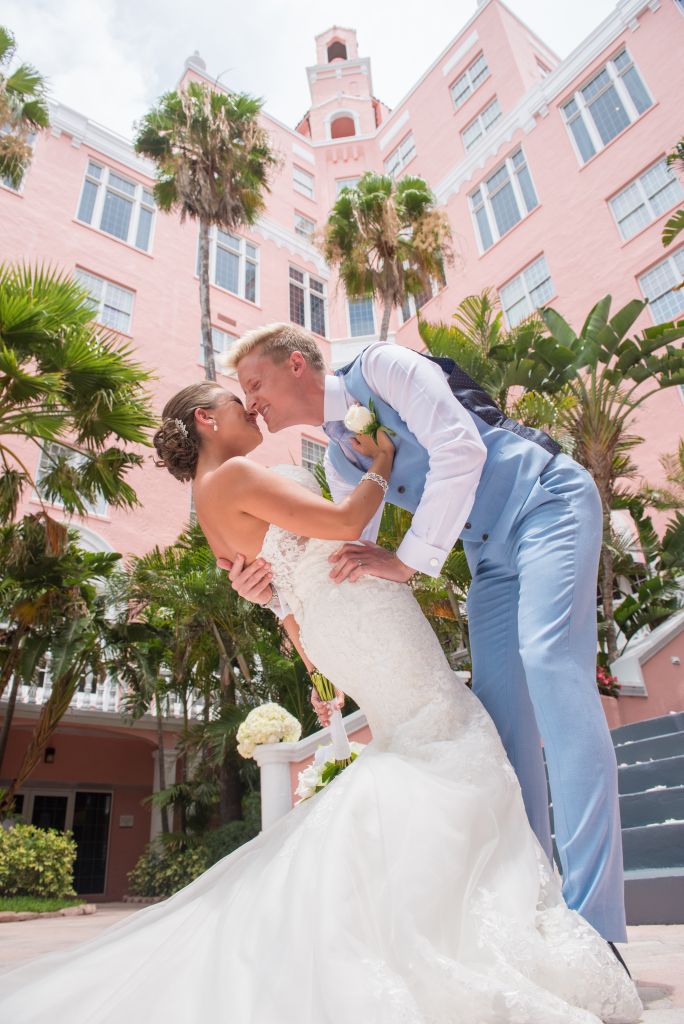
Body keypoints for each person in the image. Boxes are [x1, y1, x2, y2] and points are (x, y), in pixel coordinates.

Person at [0, 380, 641, 1024]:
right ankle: (450, 921)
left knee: (424, 745)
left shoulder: (208, 505)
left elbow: (279, 601)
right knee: (449, 734)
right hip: (358, 600)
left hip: (334, 623)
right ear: (205, 420)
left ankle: (424, 915)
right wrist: (382, 464)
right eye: (234, 400)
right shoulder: (236, 475)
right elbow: (341, 523)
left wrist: (316, 665)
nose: (250, 407)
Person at [223, 323, 628, 956]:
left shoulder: (383, 366)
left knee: (550, 663)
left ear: (296, 364)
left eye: (255, 385)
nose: (251, 404)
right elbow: (348, 561)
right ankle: (537, 908)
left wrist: (409, 562)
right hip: (489, 556)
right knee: (498, 718)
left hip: (547, 498)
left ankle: (596, 927)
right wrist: (273, 593)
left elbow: (460, 446)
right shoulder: (339, 457)